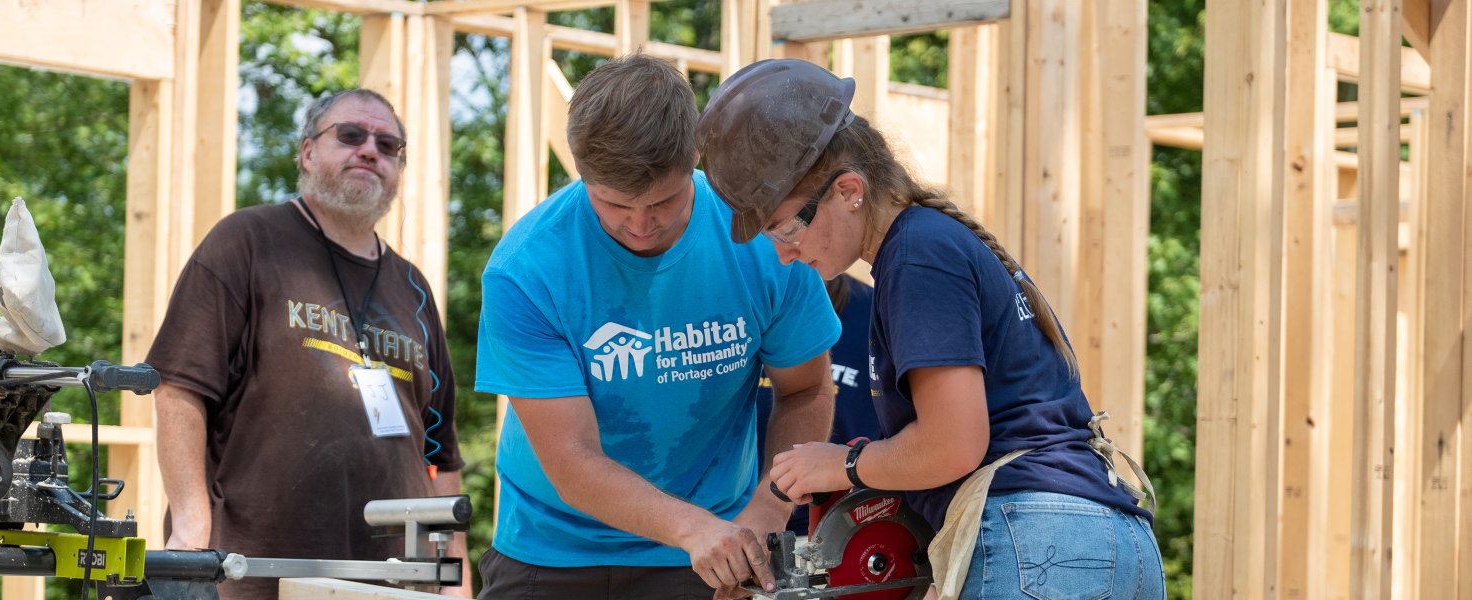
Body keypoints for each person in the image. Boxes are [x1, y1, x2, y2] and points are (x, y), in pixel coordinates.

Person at [698, 59, 1164, 600]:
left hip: (1041, 543)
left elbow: (954, 444)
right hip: (1103, 542)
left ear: (849, 189)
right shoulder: (932, 244)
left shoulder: (915, 257)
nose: (782, 255)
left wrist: (842, 464)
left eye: (785, 227)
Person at [474, 54, 840, 600]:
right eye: (614, 204)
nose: (641, 225)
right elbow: (573, 459)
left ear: (696, 154)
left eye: (664, 200)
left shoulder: (761, 236)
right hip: (552, 552)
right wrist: (691, 528)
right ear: (580, 170)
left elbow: (806, 388)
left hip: (712, 549)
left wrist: (767, 509)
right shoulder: (527, 269)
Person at [149, 89, 469, 599]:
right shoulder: (247, 242)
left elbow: (441, 452)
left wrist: (453, 576)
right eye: (350, 135)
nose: (370, 150)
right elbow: (178, 386)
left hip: (399, 580)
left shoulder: (413, 288)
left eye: (388, 145)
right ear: (307, 152)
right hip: (257, 573)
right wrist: (191, 534)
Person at [754, 273, 880, 535]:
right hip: (728, 526)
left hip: (842, 529)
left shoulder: (873, 313)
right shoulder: (746, 300)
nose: (788, 251)